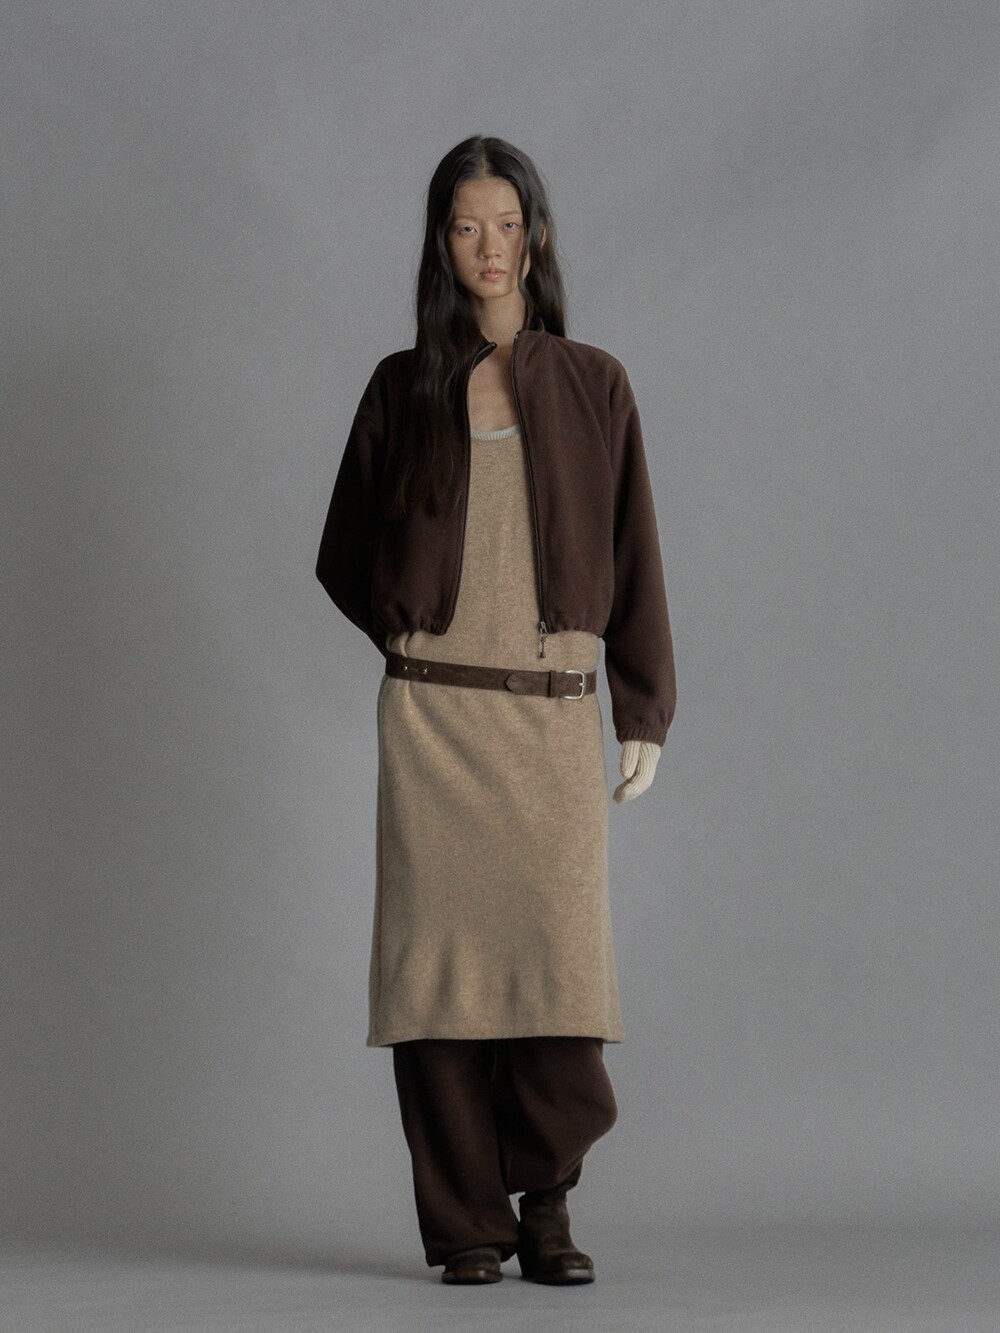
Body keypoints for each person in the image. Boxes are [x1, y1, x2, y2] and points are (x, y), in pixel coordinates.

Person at [316, 135, 677, 1285]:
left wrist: (642, 707)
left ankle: (546, 1206)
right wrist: (413, 628)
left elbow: (635, 554)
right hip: (432, 727)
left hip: (552, 719)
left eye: (506, 224)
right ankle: (467, 1225)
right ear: (441, 241)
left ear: (537, 235)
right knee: (436, 986)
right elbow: (342, 554)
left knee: (558, 977)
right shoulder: (402, 387)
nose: (489, 246)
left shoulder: (595, 384)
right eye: (466, 225)